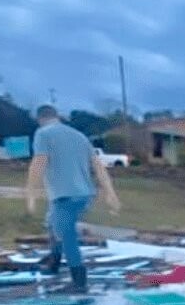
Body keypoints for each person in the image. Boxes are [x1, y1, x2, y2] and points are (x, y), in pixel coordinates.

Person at [25, 105, 121, 293]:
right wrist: (111, 193)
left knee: (67, 235)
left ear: (40, 119)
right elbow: (99, 167)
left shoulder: (43, 134)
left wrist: (31, 195)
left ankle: (79, 281)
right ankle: (53, 261)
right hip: (84, 194)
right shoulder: (79, 136)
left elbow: (38, 163)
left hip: (66, 196)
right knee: (52, 221)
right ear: (57, 117)